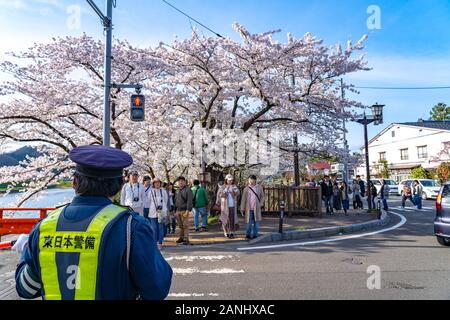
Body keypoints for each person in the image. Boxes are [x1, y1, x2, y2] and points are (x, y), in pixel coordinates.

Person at [14, 145, 172, 300]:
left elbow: (26, 288)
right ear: (119, 186)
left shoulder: (45, 227)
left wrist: (27, 249)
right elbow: (157, 289)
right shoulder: (131, 227)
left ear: (74, 182)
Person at [240, 175, 265, 240]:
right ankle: (248, 235)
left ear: (255, 180)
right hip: (248, 209)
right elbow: (243, 199)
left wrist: (260, 204)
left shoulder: (259, 187)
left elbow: (262, 196)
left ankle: (255, 235)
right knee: (248, 223)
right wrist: (242, 208)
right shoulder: (246, 189)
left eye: (251, 181)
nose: (250, 182)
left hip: (256, 208)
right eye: (249, 181)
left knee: (256, 223)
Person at [148, 177, 169, 250]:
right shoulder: (150, 192)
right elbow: (148, 202)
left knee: (161, 228)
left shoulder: (163, 191)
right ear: (153, 184)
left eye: (158, 182)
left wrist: (163, 209)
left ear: (160, 183)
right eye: (155, 182)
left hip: (162, 212)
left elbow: (166, 201)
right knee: (154, 228)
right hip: (152, 212)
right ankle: (155, 243)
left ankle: (160, 243)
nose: (157, 184)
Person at [218, 174, 240, 239]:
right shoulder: (223, 187)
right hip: (224, 207)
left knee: (232, 220)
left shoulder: (234, 186)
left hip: (232, 206)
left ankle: (231, 232)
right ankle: (226, 232)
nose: (230, 181)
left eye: (231, 180)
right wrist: (225, 190)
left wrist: (234, 191)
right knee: (225, 219)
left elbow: (238, 193)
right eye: (229, 180)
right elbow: (220, 195)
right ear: (226, 180)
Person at [174, 176, 193, 245]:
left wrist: (188, 210)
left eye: (182, 181)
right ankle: (181, 237)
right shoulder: (177, 190)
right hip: (178, 210)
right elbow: (175, 200)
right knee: (180, 225)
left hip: (185, 210)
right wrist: (174, 210)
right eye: (179, 181)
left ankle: (186, 238)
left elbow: (189, 200)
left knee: (185, 225)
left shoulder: (188, 190)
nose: (180, 182)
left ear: (185, 182)